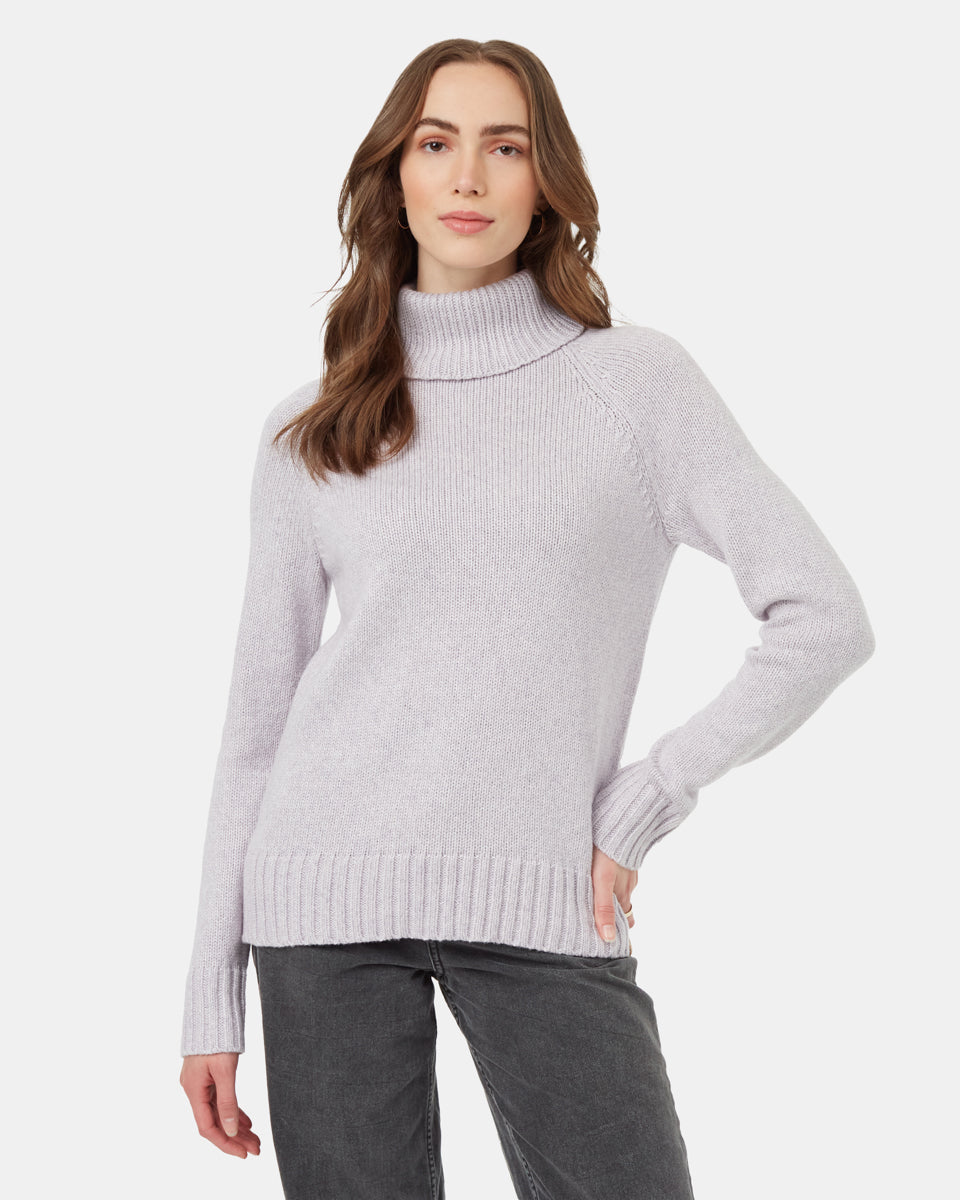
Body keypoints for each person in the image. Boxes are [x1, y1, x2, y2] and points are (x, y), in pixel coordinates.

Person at [179, 37, 876, 1200]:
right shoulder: (313, 426)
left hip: (547, 895)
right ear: (395, 175)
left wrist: (650, 795)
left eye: (505, 148)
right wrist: (211, 998)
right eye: (436, 144)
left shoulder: (634, 385)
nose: (468, 177)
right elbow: (256, 731)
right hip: (318, 902)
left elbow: (823, 615)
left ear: (546, 179)